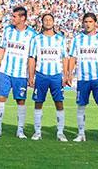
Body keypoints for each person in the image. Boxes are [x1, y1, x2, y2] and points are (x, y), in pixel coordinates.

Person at [67, 12, 98, 143]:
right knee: (81, 106)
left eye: (90, 22)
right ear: (83, 23)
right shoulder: (77, 39)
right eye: (86, 22)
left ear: (95, 24)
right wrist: (69, 74)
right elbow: (72, 57)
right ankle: (81, 133)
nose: (88, 24)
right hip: (82, 78)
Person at [0, 6, 37, 138]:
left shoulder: (32, 35)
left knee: (21, 100)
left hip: (21, 74)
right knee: (1, 98)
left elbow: (31, 57)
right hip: (6, 71)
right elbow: (2, 49)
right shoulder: (7, 30)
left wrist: (30, 75)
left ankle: (20, 130)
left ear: (22, 18)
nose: (12, 18)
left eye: (15, 16)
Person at [28, 13, 67, 141]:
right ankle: (38, 132)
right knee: (38, 102)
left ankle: (60, 132)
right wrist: (31, 75)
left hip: (56, 75)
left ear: (54, 22)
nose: (48, 22)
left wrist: (65, 75)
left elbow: (65, 58)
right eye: (45, 20)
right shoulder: (36, 39)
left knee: (59, 103)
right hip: (41, 75)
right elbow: (32, 58)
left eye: (50, 20)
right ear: (42, 23)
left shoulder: (60, 39)